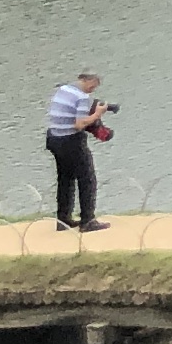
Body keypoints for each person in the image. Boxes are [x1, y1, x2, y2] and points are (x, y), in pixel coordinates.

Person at [46, 70, 115, 233]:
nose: (93, 89)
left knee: (65, 179)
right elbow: (79, 124)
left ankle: (63, 219)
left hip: (54, 139)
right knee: (87, 179)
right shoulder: (82, 97)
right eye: (94, 85)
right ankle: (88, 221)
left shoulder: (63, 89)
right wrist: (98, 114)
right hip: (71, 141)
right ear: (87, 80)